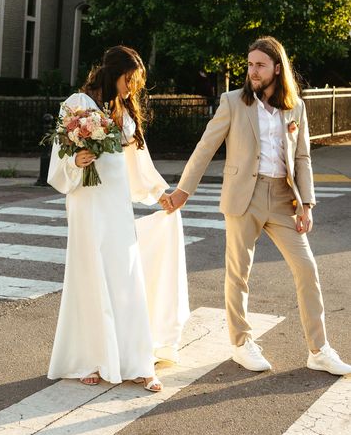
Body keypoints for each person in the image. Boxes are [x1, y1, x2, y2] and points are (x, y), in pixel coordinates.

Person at [162, 36, 351, 375]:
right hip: (243, 197)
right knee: (238, 273)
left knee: (307, 268)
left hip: (282, 199)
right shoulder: (233, 102)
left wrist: (307, 204)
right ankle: (240, 343)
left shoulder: (296, 107)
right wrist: (182, 191)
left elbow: (303, 157)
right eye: (249, 64)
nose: (253, 71)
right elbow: (206, 147)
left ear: (277, 68)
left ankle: (319, 349)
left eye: (260, 65)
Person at [47, 46, 190, 391]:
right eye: (130, 80)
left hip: (115, 204)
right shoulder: (75, 103)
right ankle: (91, 357)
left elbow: (138, 162)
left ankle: (136, 360)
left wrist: (160, 194)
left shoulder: (123, 110)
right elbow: (58, 158)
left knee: (125, 277)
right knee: (89, 277)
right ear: (114, 74)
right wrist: (76, 162)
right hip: (86, 201)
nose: (133, 88)